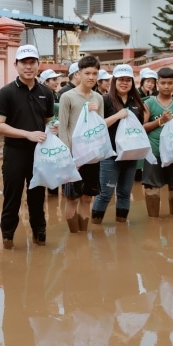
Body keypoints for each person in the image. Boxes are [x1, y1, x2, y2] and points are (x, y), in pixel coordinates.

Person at [0, 44, 56, 249]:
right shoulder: (6, 93)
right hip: (15, 152)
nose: (28, 67)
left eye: (32, 62)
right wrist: (27, 134)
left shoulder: (46, 92)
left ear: (38, 65)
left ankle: (40, 235)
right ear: (16, 65)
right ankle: (8, 238)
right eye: (24, 63)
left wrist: (51, 130)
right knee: (12, 197)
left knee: (37, 196)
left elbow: (48, 120)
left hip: (39, 154)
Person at [91, 64, 147, 224]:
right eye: (121, 79)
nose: (124, 83)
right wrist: (117, 116)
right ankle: (96, 225)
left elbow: (140, 126)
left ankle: (121, 224)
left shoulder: (136, 102)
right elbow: (98, 126)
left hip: (131, 154)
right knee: (105, 193)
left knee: (124, 192)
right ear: (114, 81)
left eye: (128, 80)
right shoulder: (105, 100)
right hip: (110, 154)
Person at [58, 55, 104, 233]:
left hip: (92, 156)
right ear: (79, 74)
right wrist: (70, 158)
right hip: (73, 158)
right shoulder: (67, 97)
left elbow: (98, 127)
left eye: (94, 73)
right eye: (87, 73)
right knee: (72, 198)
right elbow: (63, 129)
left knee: (87, 198)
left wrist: (95, 113)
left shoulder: (98, 98)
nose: (91, 77)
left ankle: (83, 235)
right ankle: (73, 235)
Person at [141, 67, 173, 217]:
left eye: (170, 83)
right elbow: (142, 128)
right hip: (154, 152)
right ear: (157, 84)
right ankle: (153, 227)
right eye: (163, 83)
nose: (166, 86)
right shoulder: (148, 103)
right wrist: (161, 120)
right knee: (152, 189)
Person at [39, 68, 63, 196]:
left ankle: (53, 192)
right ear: (45, 82)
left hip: (57, 134)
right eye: (53, 79)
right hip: (45, 134)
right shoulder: (41, 97)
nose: (56, 81)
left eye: (57, 79)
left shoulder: (57, 95)